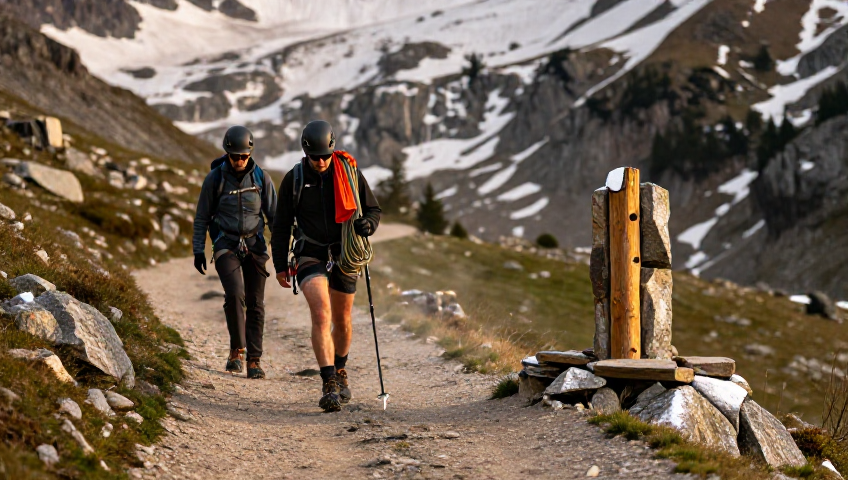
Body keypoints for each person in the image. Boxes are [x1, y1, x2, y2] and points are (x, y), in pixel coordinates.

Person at [271, 120, 381, 412]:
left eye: (325, 156)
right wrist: (280, 264)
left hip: (344, 252)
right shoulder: (293, 180)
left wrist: (367, 224)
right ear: (305, 152)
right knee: (321, 313)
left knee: (343, 320)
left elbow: (373, 209)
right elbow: (281, 225)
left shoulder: (349, 172)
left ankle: (341, 369)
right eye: (314, 157)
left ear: (332, 149)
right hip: (309, 252)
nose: (320, 161)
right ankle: (329, 381)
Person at [193, 125, 277, 379]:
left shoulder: (262, 178)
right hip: (225, 244)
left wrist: (284, 253)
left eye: (244, 156)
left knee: (256, 302)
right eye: (235, 156)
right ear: (227, 153)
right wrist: (199, 249)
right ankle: (236, 351)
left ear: (250, 153)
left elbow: (275, 217)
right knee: (235, 294)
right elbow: (202, 217)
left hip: (255, 245)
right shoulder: (215, 179)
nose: (240, 161)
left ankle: (254, 360)